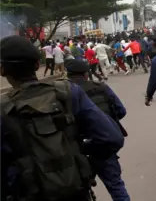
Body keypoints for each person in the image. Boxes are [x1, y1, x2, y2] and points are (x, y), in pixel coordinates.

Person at [1, 35, 124, 201]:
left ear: (2, 70)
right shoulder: (68, 91)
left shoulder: (3, 108)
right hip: (75, 192)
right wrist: (75, 150)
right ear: (37, 64)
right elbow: (112, 137)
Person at [65, 59, 131, 201]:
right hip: (103, 146)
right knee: (116, 186)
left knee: (79, 191)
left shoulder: (64, 94)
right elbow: (121, 111)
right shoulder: (101, 87)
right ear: (86, 75)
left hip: (78, 150)